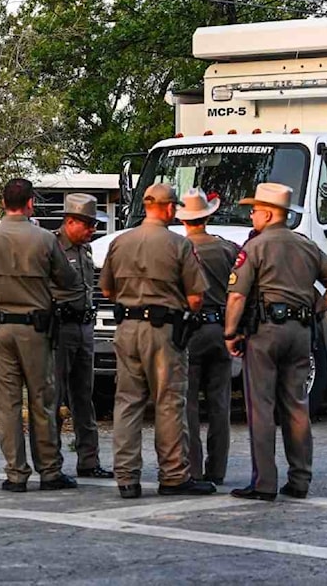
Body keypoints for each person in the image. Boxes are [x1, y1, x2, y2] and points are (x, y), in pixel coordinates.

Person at [224, 183, 327, 501]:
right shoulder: (305, 245)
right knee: (296, 406)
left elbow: (237, 296)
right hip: (301, 332)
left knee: (261, 406)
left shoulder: (256, 246)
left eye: (253, 210)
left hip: (265, 333)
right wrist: (318, 309)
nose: (251, 215)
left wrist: (230, 332)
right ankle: (300, 480)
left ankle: (264, 482)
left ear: (267, 213)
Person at [0, 177, 79, 492]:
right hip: (36, 330)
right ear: (30, 204)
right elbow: (68, 281)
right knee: (42, 399)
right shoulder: (44, 239)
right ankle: (50, 471)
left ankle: (16, 473)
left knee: (7, 403)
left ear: (3, 203)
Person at [99, 183, 217, 499]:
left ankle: (126, 477)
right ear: (167, 208)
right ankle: (174, 475)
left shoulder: (119, 242)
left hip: (126, 329)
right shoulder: (178, 245)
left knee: (127, 402)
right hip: (164, 332)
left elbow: (107, 290)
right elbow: (195, 297)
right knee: (168, 402)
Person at [177, 188, 239, 486]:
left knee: (187, 403)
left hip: (189, 330)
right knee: (220, 403)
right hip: (221, 328)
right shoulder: (227, 249)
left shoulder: (179, 248)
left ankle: (193, 469)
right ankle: (218, 468)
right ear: (207, 215)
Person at [50, 193, 114, 479]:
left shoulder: (85, 250)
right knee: (52, 397)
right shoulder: (51, 247)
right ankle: (51, 463)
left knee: (84, 397)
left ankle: (89, 460)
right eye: (88, 225)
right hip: (60, 329)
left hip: (84, 328)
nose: (93, 231)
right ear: (70, 221)